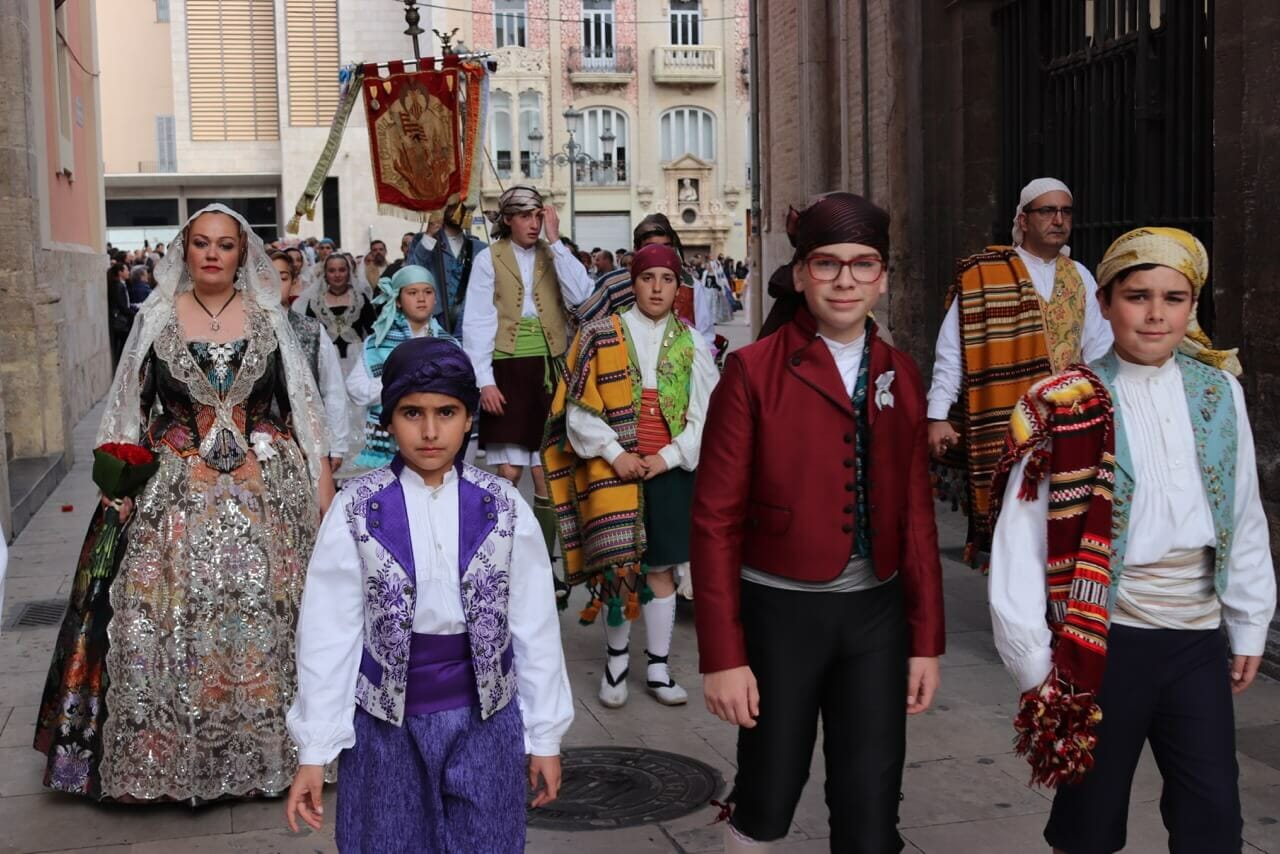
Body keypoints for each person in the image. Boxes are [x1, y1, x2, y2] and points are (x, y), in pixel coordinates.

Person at [987, 227, 1273, 854]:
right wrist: (1036, 665)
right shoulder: (1065, 402)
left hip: (1197, 638)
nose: (1155, 313)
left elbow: (1242, 511)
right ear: (1106, 303)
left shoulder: (1219, 391)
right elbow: (1020, 540)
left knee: (1213, 818)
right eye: (1137, 295)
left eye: (1174, 298)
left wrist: (1250, 621)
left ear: (1192, 307)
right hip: (1105, 638)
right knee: (1090, 818)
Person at [34, 204, 333, 801]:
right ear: (185, 251)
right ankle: (172, 755)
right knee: (169, 611)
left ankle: (277, 747)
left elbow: (304, 405)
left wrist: (321, 481)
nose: (214, 254)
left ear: (243, 254)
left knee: (265, 609)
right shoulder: (157, 318)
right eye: (202, 244)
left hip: (264, 487)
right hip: (176, 489)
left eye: (225, 244)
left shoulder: (270, 319)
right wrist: (118, 485)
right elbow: (125, 407)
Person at [691, 192, 945, 853]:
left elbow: (915, 514)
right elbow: (714, 518)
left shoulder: (902, 373)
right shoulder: (751, 371)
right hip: (780, 614)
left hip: (876, 619)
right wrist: (723, 655)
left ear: (882, 276)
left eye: (863, 265)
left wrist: (926, 641)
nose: (845, 280)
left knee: (871, 808)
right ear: (802, 273)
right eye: (827, 264)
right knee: (768, 794)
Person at [284, 336, 573, 852]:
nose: (431, 430)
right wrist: (314, 748)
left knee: (485, 841)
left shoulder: (504, 508)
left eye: (447, 412)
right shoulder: (357, 509)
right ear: (389, 420)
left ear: (469, 419)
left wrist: (544, 737)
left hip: (487, 724)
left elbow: (534, 629)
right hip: (384, 730)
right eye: (412, 413)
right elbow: (329, 635)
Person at [543, 244, 719, 707]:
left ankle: (658, 667)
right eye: (647, 278)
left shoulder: (693, 342)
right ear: (631, 283)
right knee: (620, 571)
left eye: (667, 278)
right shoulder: (600, 335)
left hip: (669, 468)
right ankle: (617, 661)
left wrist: (669, 456)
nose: (657, 287)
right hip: (613, 468)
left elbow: (707, 413)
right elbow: (577, 408)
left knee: (661, 569)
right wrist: (613, 451)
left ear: (679, 286)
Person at [927, 177, 1113, 562]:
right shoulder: (984, 277)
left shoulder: (1080, 275)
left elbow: (1099, 350)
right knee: (1012, 531)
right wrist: (938, 415)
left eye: (1065, 211)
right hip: (1004, 424)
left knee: (1063, 525)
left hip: (1066, 424)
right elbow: (952, 351)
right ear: (1023, 220)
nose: (1058, 219)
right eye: (1047, 210)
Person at [461, 185, 594, 562]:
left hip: (551, 368)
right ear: (507, 219)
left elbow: (583, 295)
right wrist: (484, 379)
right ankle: (498, 555)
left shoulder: (554, 254)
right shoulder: (489, 259)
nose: (533, 224)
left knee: (546, 473)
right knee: (509, 470)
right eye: (525, 216)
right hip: (508, 367)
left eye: (538, 216)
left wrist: (557, 242)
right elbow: (478, 321)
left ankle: (543, 560)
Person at [346, 265, 456, 471]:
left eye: (428, 292)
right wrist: (399, 385)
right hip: (388, 446)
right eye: (412, 293)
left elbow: (463, 389)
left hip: (435, 440)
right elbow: (355, 389)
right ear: (397, 300)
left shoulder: (449, 345)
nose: (421, 298)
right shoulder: (376, 344)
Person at [575, 213, 718, 351]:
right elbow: (585, 330)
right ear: (637, 250)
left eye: (665, 246)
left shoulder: (690, 286)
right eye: (650, 247)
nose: (658, 253)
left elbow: (705, 337)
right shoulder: (613, 284)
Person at [270, 250, 350, 473]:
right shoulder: (242, 331)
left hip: (308, 441)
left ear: (294, 282)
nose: (275, 285)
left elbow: (332, 388)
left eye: (283, 278)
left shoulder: (312, 330)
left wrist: (337, 445)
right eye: (266, 277)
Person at [406, 201, 487, 336]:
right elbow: (412, 274)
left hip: (472, 325)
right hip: (435, 325)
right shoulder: (423, 241)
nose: (458, 209)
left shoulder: (480, 248)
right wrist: (429, 236)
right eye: (453, 203)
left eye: (463, 204)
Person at [296, 251, 377, 374]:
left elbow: (373, 332)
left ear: (349, 272)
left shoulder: (360, 299)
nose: (337, 275)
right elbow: (310, 336)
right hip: (327, 362)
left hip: (358, 361)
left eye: (342, 270)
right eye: (332, 270)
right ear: (325, 274)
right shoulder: (315, 302)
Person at [106, 263, 134, 367]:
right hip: (121, 323)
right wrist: (133, 314)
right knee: (122, 349)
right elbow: (122, 305)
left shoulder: (120, 285)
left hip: (121, 321)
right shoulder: (118, 286)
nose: (128, 272)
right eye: (126, 270)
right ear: (120, 272)